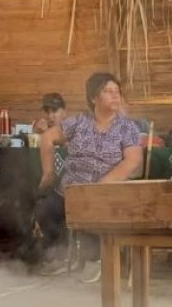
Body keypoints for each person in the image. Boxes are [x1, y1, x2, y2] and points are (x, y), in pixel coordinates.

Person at [35, 73, 142, 282]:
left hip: (105, 188)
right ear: (93, 98)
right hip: (71, 188)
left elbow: (132, 160)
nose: (115, 96)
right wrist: (49, 173)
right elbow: (47, 137)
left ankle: (94, 259)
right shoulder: (79, 122)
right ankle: (62, 254)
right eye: (108, 91)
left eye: (117, 92)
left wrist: (100, 186)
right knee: (46, 209)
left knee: (92, 207)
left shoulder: (127, 127)